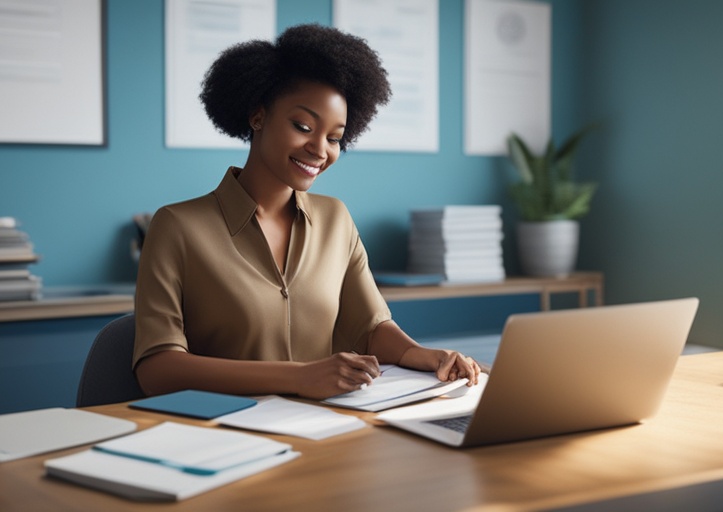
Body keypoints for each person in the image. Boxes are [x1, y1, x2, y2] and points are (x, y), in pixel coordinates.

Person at [133, 23, 481, 400]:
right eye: (303, 126)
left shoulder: (336, 220)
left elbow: (371, 328)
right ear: (258, 116)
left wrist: (426, 356)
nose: (320, 150)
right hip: (223, 433)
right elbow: (157, 369)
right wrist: (298, 377)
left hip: (323, 430)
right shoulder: (178, 228)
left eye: (334, 138)